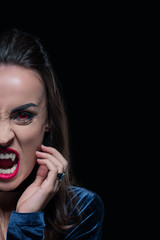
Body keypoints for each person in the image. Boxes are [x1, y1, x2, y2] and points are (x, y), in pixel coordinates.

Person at [0, 28, 104, 240]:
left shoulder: (80, 211)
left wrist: (26, 221)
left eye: (22, 116)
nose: (3, 137)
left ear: (48, 121)